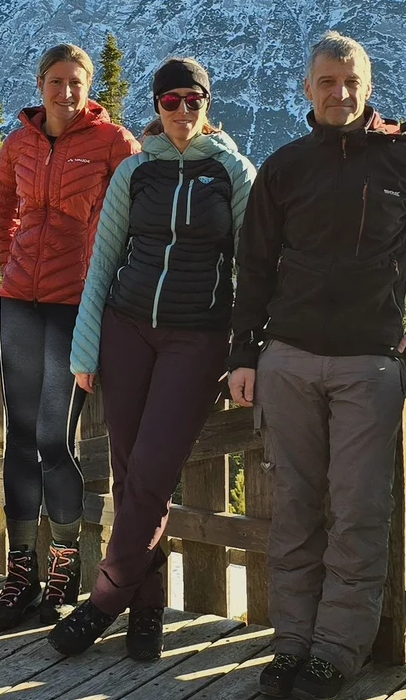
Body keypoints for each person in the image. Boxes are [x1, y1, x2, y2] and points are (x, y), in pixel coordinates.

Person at [228, 31, 406, 700]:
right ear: (307, 89)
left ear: (368, 86)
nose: (341, 92)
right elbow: (253, 266)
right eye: (328, 81)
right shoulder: (285, 167)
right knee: (295, 509)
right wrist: (243, 354)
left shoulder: (404, 159)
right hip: (288, 361)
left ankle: (336, 651)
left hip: (368, 364)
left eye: (352, 81)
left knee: (358, 510)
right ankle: (290, 643)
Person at [50, 57, 256, 661]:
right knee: (129, 475)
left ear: (208, 104)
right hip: (126, 333)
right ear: (158, 106)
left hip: (198, 340)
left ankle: (104, 601)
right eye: (172, 101)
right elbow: (103, 262)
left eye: (195, 100)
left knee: (151, 474)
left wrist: (246, 350)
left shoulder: (234, 173)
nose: (184, 111)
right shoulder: (135, 173)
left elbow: (254, 268)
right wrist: (86, 346)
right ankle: (147, 613)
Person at [0, 44, 140, 632]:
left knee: (54, 437)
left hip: (77, 306)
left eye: (76, 82)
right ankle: (19, 571)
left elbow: (133, 216)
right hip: (19, 302)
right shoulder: (18, 142)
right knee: (19, 437)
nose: (65, 92)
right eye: (56, 81)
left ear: (89, 86)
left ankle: (63, 570)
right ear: (40, 83)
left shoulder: (112, 143)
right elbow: (4, 209)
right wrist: (11, 268)